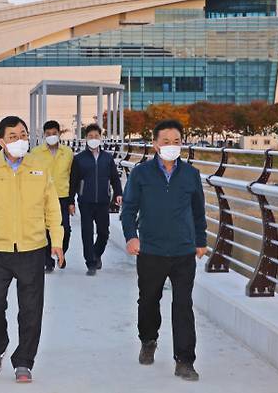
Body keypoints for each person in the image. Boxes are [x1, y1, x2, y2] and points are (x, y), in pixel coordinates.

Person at [0, 115, 63, 384]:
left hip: (32, 248)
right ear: (0, 140)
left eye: (23, 135)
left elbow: (51, 207)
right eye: (13, 136)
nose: (20, 141)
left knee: (31, 309)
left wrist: (57, 240)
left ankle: (24, 361)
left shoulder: (40, 166)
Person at [121, 119, 207, 382]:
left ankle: (185, 361)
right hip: (152, 250)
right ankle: (148, 340)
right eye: (166, 141)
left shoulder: (191, 174)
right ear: (155, 144)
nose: (172, 146)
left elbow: (198, 211)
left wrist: (200, 240)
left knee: (183, 305)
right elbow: (129, 209)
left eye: (177, 141)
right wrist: (131, 237)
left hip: (183, 250)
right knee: (148, 301)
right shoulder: (141, 173)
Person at [69, 124, 122, 276]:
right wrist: (71, 201)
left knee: (104, 232)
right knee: (87, 232)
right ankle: (90, 263)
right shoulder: (79, 159)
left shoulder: (107, 158)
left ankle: (96, 254)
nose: (93, 139)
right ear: (86, 139)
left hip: (103, 202)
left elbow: (115, 178)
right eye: (90, 137)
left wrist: (118, 193)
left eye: (96, 136)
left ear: (101, 137)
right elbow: (73, 182)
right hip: (85, 201)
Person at [31, 120, 74, 273]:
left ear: (59, 134)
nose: (51, 136)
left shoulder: (67, 152)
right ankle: (48, 260)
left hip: (62, 196)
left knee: (66, 230)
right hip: (43, 197)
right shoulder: (36, 152)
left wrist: (71, 201)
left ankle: (61, 251)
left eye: (54, 134)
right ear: (44, 135)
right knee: (45, 230)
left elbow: (72, 176)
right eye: (48, 134)